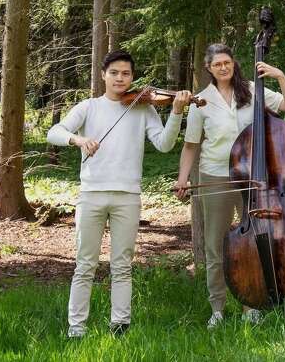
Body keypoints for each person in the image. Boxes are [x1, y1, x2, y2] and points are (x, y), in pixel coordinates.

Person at [47, 50, 192, 338]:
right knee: (85, 264)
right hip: (91, 194)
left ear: (132, 77)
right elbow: (55, 132)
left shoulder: (143, 108)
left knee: (122, 264)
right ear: (103, 74)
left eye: (126, 73)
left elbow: (164, 144)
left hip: (128, 195)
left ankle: (120, 326)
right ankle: (76, 328)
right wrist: (78, 139)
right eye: (114, 72)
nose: (120, 78)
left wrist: (176, 112)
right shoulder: (89, 107)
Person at [173, 43, 285, 328]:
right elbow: (191, 146)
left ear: (234, 63)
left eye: (227, 62)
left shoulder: (253, 90)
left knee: (252, 242)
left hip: (252, 175)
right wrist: (183, 178)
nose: (224, 67)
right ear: (209, 68)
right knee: (216, 245)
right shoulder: (200, 101)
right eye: (218, 64)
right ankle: (217, 307)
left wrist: (279, 75)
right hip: (214, 175)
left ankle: (250, 304)